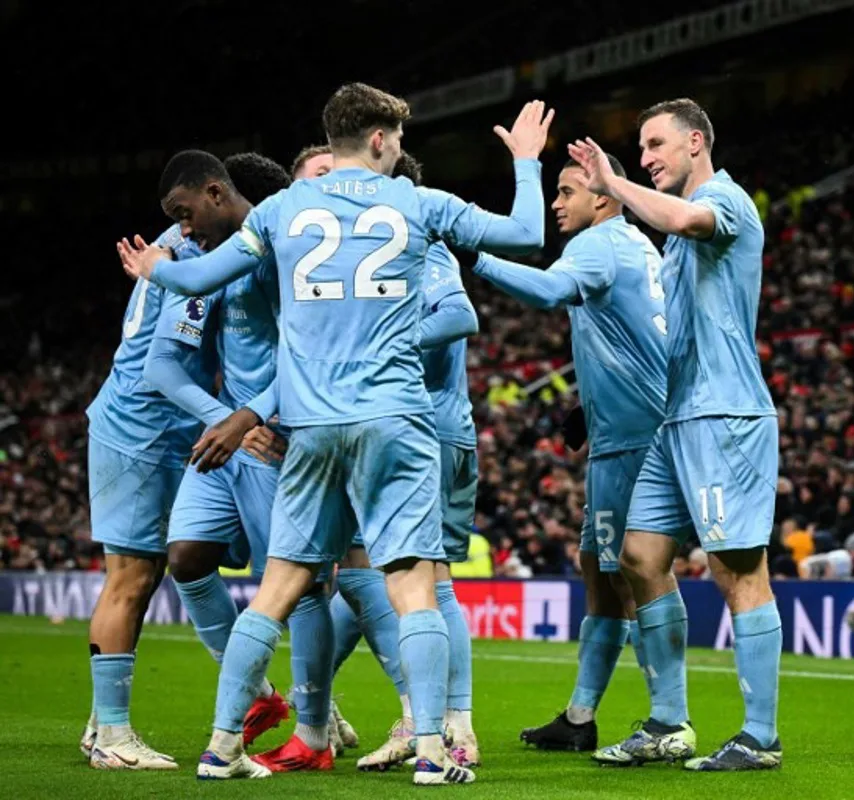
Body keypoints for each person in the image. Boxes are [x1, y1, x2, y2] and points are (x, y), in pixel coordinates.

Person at [118, 84, 552, 785]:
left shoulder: (285, 208)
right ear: (381, 140)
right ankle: (436, 754)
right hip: (395, 422)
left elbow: (198, 275)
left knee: (277, 590)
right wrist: (526, 161)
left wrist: (155, 270)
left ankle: (222, 746)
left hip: (311, 428)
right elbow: (528, 235)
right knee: (414, 586)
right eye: (399, 141)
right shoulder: (418, 203)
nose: (400, 151)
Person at [568, 98, 782, 771]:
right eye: (642, 147)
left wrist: (613, 183)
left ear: (696, 142)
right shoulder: (666, 244)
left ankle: (761, 737)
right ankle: (667, 723)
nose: (650, 156)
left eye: (657, 144)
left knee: (737, 571)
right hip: (676, 418)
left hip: (725, 415)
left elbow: (688, 219)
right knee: (638, 555)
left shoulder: (726, 200)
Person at [143, 150, 349, 773]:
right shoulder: (210, 265)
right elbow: (161, 365)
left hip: (281, 439)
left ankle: (317, 725)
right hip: (231, 438)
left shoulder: (285, 250)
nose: (182, 231)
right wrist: (224, 419)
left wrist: (253, 415)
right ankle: (259, 695)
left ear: (214, 193)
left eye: (185, 215)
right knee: (186, 556)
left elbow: (313, 354)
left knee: (305, 589)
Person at [468, 154, 667, 751]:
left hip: (632, 442)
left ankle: (667, 718)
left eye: (566, 191)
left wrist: (476, 258)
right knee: (600, 573)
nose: (556, 203)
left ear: (604, 199)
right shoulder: (637, 245)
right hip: (627, 430)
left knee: (634, 573)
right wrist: (595, 404)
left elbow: (553, 290)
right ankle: (580, 719)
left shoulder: (598, 244)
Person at [337, 152, 483, 771]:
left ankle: (445, 724)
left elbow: (459, 315)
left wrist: (387, 340)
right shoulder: (392, 254)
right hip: (422, 429)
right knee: (377, 577)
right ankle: (433, 719)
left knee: (421, 578)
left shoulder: (425, 248)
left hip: (428, 429)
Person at [81, 178, 215, 773]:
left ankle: (98, 724)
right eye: (183, 217)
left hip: (139, 425)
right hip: (142, 429)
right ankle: (112, 735)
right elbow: (166, 365)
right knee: (130, 579)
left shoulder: (174, 247)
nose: (186, 228)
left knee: (142, 572)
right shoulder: (191, 255)